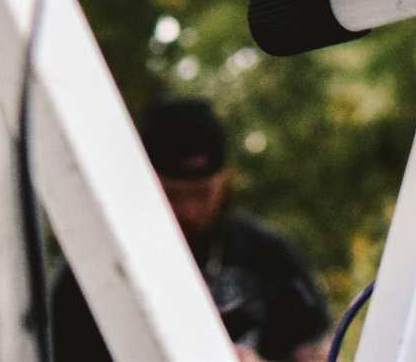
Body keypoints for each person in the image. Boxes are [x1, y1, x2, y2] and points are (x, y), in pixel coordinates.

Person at [50, 99, 330, 362]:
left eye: (201, 194)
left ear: (225, 180)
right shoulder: (93, 270)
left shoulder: (269, 254)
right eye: (172, 195)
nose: (189, 212)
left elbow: (318, 349)